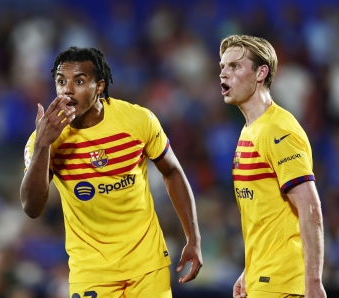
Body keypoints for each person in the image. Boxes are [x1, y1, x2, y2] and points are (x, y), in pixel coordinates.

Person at [20, 46, 203, 297]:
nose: (68, 89)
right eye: (61, 81)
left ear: (100, 86)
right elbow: (31, 208)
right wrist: (43, 145)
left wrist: (193, 238)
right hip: (92, 271)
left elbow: (172, 171)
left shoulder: (138, 120)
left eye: (80, 81)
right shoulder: (45, 139)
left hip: (147, 264)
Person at [219, 34, 326, 298]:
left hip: (284, 284)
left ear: (260, 73)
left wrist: (313, 281)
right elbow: (266, 215)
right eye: (222, 67)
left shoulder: (278, 130)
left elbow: (310, 207)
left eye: (234, 66)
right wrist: (250, 270)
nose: (223, 74)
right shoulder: (250, 130)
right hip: (263, 280)